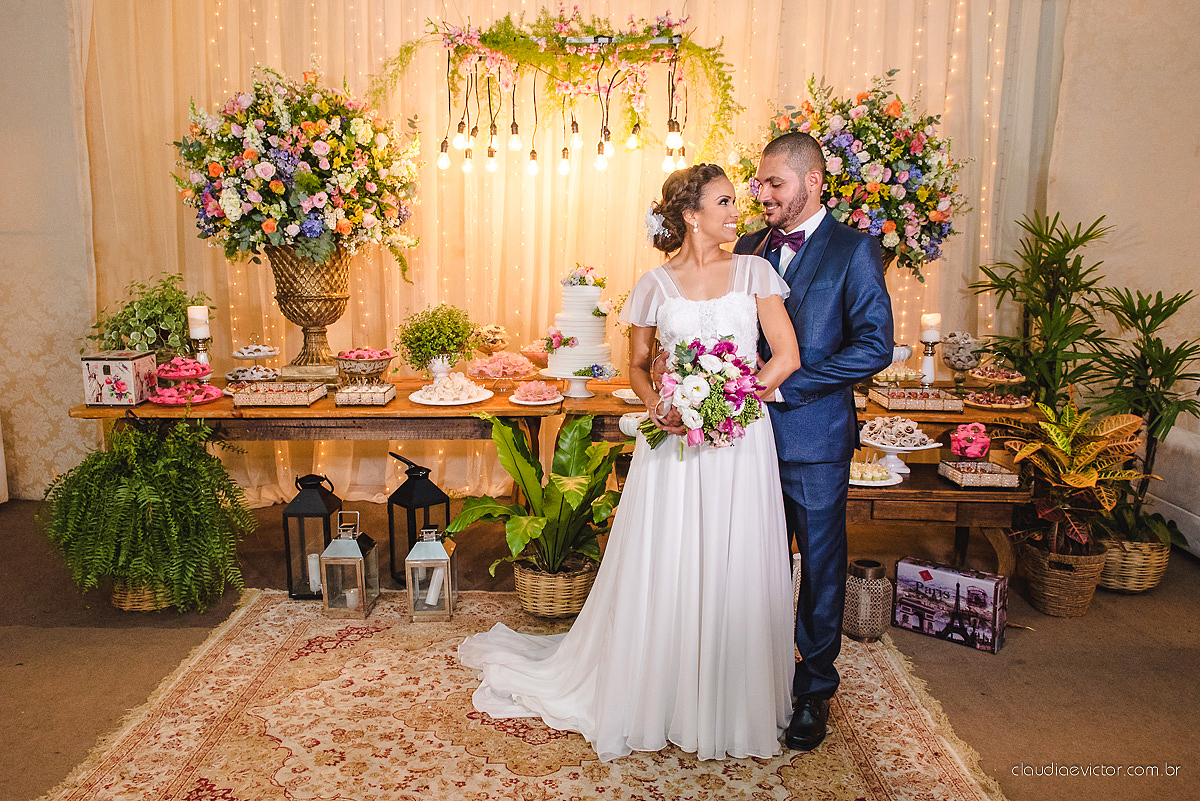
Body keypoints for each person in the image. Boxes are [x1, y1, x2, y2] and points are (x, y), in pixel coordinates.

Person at [459, 164, 801, 762]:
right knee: (669, 556)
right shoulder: (653, 286)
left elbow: (787, 357)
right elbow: (638, 367)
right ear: (692, 216)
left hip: (739, 440)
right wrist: (663, 408)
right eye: (723, 201)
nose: (736, 209)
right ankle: (661, 689)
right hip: (672, 442)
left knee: (733, 554)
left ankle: (727, 696)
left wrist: (731, 402)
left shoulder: (756, 272)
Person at [733, 132, 894, 750]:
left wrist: (787, 388)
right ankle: (753, 672)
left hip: (815, 437)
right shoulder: (747, 247)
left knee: (821, 568)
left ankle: (814, 690)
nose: (763, 192)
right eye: (759, 181)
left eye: (775, 182)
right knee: (751, 559)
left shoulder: (854, 251)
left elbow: (873, 346)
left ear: (814, 182)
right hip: (740, 439)